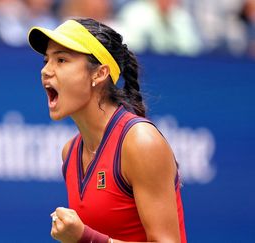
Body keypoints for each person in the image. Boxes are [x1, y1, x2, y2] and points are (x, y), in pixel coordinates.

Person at [27, 18, 186, 243]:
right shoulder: (70, 152)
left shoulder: (140, 142)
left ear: (99, 74)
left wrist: (86, 238)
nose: (45, 71)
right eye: (46, 61)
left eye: (61, 60)